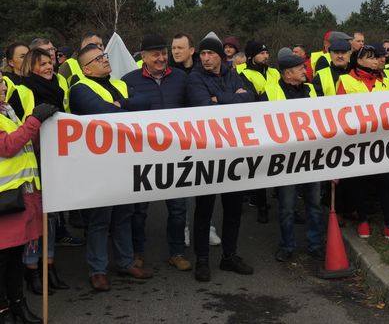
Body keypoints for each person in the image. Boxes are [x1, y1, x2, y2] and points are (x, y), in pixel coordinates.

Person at [69, 43, 152, 291]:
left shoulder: (121, 84)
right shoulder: (80, 89)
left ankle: (125, 262)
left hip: (124, 159)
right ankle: (98, 270)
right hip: (98, 164)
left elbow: (145, 103)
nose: (105, 60)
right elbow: (102, 112)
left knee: (124, 214)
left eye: (104, 55)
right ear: (86, 69)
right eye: (98, 58)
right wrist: (122, 106)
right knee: (100, 218)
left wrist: (119, 106)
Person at [187, 32, 255, 282]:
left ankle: (229, 255)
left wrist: (222, 99)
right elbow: (204, 106)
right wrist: (232, 98)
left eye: (210, 54)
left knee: (233, 207)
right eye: (202, 54)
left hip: (233, 151)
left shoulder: (233, 73)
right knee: (204, 209)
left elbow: (250, 99)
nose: (205, 58)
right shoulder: (194, 79)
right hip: (207, 152)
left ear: (219, 57)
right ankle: (202, 259)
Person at [122, 35, 192, 272]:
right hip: (143, 156)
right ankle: (137, 253)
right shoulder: (127, 81)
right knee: (139, 209)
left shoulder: (181, 78)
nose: (162, 58)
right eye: (155, 54)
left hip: (176, 154)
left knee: (178, 207)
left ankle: (177, 251)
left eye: (164, 53)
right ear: (143, 57)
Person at [8, 48, 71, 295]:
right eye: (42, 64)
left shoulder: (58, 88)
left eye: (50, 62)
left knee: (52, 216)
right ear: (30, 68)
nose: (48, 67)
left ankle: (49, 265)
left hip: (54, 158)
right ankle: (31, 268)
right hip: (32, 161)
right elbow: (18, 128)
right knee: (35, 217)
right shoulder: (23, 91)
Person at [0, 70, 58, 323]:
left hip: (19, 198)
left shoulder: (6, 113)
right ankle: (4, 310)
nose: (2, 87)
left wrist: (43, 124)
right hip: (4, 200)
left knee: (14, 259)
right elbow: (7, 147)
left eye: (1, 82)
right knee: (2, 261)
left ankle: (18, 304)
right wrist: (34, 120)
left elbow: (23, 143)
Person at [336, 46, 389, 242]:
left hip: (381, 141)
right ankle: (362, 220)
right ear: (358, 61)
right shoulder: (345, 80)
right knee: (359, 183)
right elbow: (339, 112)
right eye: (370, 58)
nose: (376, 61)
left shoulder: (385, 81)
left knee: (385, 183)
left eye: (377, 58)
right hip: (357, 141)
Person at [261, 48, 324, 262]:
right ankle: (287, 246)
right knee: (287, 207)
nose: (305, 70)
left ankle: (315, 244)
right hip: (286, 160)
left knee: (314, 204)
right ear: (287, 73)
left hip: (311, 157)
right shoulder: (270, 92)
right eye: (300, 68)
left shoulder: (312, 90)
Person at [239, 40, 279, 223]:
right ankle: (261, 204)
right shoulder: (242, 73)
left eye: (266, 53)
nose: (266, 56)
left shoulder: (274, 72)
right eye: (261, 53)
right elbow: (250, 98)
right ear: (250, 56)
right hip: (256, 125)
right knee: (260, 166)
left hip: (277, 122)